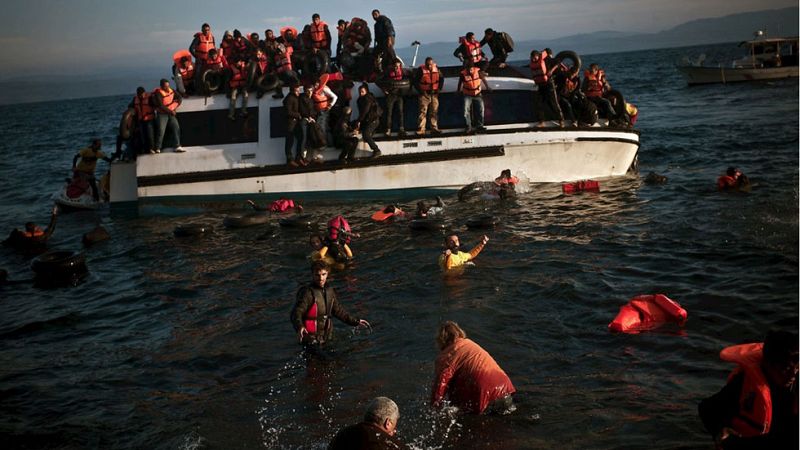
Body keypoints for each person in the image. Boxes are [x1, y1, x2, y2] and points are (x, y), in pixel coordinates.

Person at [698, 330, 798, 449]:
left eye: (797, 368)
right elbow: (707, 408)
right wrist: (720, 431)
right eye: (785, 368)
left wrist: (733, 443)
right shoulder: (744, 383)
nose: (793, 374)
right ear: (768, 364)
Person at [431, 321, 516, 414]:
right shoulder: (470, 343)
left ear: (441, 340)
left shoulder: (446, 356)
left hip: (485, 396)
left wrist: (434, 408)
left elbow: (441, 384)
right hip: (505, 388)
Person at [290, 260, 370, 346]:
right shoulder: (307, 293)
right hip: (310, 339)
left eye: (323, 274)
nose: (321, 278)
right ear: (312, 275)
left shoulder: (330, 291)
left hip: (326, 337)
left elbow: (338, 311)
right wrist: (300, 327)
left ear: (327, 273)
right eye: (317, 275)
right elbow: (296, 313)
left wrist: (355, 321)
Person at [329, 396, 408, 450]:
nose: (394, 431)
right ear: (388, 423)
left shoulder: (341, 435)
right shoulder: (390, 444)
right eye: (394, 426)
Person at [529, 49, 565, 128]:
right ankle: (542, 122)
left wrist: (551, 70)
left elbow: (558, 62)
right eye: (532, 58)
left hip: (549, 84)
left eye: (535, 58)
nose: (533, 60)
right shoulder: (533, 63)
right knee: (539, 103)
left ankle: (561, 120)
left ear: (538, 56)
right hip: (541, 85)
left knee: (553, 102)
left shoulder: (547, 60)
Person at [457, 60, 490, 134]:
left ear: (473, 68)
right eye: (468, 69)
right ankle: (468, 126)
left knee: (480, 110)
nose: (470, 70)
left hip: (477, 94)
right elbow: (460, 83)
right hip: (467, 94)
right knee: (466, 111)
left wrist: (488, 87)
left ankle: (480, 126)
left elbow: (483, 79)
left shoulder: (478, 72)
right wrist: (458, 90)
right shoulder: (463, 74)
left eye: (471, 69)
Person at [413, 57, 444, 136]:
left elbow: (441, 78)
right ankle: (421, 129)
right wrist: (421, 91)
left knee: (434, 112)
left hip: (434, 94)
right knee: (423, 112)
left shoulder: (436, 68)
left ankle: (434, 128)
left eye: (430, 64)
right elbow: (415, 81)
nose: (429, 66)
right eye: (428, 65)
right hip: (424, 94)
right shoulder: (420, 70)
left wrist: (439, 88)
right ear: (425, 63)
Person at [153, 79, 183, 153]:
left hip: (171, 113)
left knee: (176, 127)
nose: (167, 88)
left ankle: (177, 145)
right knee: (161, 130)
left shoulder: (171, 90)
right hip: (162, 114)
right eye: (165, 86)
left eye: (168, 86)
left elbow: (179, 97)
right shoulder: (158, 93)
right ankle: (158, 147)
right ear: (161, 86)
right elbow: (160, 105)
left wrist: (175, 105)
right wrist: (170, 111)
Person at [379, 58, 407, 136]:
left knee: (400, 112)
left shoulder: (403, 72)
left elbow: (410, 79)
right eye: (395, 66)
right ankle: (388, 130)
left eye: (398, 66)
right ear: (392, 66)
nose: (397, 68)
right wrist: (384, 90)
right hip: (390, 95)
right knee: (389, 113)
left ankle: (401, 129)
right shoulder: (387, 73)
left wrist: (407, 90)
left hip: (399, 95)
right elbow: (379, 80)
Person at [355, 83, 382, 158]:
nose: (361, 93)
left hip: (373, 120)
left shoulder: (368, 99)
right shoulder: (360, 100)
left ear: (366, 91)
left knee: (366, 135)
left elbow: (365, 111)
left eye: (362, 92)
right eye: (360, 92)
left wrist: (359, 120)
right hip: (368, 120)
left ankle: (377, 150)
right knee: (365, 134)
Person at [283, 83, 306, 167]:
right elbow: (288, 112)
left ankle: (298, 157)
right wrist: (298, 115)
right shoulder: (289, 99)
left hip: (295, 123)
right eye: (298, 90)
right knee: (289, 141)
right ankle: (289, 159)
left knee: (300, 137)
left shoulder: (295, 98)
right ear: (294, 90)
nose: (299, 92)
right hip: (290, 122)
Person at [311, 77, 338, 149]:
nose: (315, 86)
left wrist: (330, 105)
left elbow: (335, 97)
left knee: (321, 126)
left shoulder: (324, 89)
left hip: (324, 110)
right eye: (314, 85)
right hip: (319, 111)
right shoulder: (314, 90)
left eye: (316, 84)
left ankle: (324, 144)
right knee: (326, 127)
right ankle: (330, 143)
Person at [132, 86, 156, 153]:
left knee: (150, 134)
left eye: (141, 94)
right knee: (143, 136)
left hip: (149, 119)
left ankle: (152, 148)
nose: (141, 96)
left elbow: (155, 105)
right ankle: (145, 149)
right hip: (141, 120)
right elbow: (131, 106)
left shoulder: (150, 97)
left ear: (144, 93)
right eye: (139, 94)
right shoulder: (135, 99)